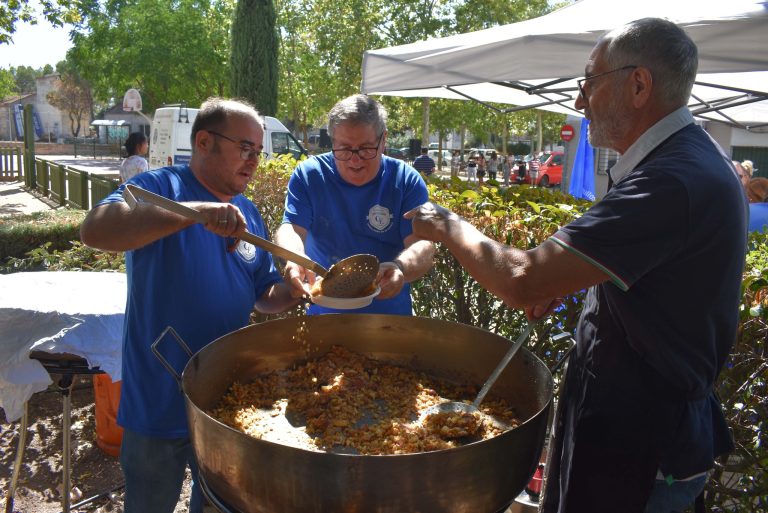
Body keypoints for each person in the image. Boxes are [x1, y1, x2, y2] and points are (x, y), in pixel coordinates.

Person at [405, 18, 747, 513]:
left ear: (638, 85)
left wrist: (449, 224)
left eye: (588, 82)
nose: (579, 101)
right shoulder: (684, 161)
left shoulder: (673, 180)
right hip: (624, 427)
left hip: (641, 447)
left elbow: (522, 278)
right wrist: (574, 282)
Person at [80, 97, 300, 513]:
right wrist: (195, 213)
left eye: (259, 151)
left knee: (217, 504)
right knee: (149, 503)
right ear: (204, 141)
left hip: (224, 399)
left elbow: (263, 294)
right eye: (245, 148)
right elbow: (95, 230)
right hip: (158, 395)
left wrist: (296, 289)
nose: (254, 160)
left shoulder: (248, 213)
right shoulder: (161, 188)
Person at [275, 94, 435, 315]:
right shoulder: (310, 174)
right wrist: (295, 259)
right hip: (323, 314)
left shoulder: (405, 179)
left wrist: (400, 268)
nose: (355, 160)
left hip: (389, 318)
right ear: (332, 143)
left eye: (366, 148)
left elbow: (423, 245)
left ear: (383, 140)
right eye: (344, 149)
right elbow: (290, 228)